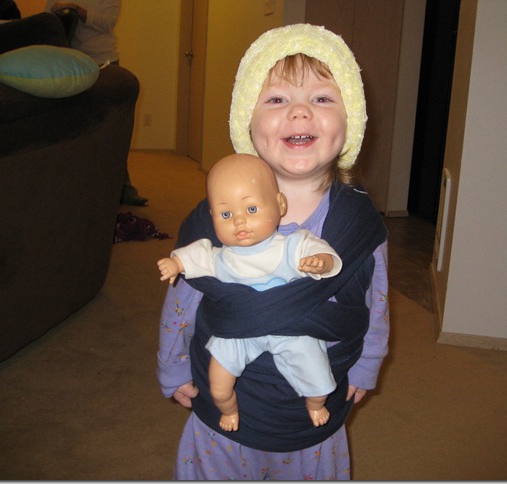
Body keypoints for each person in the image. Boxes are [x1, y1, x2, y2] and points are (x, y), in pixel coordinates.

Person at [157, 23, 389, 480]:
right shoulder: (214, 219)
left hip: (312, 417)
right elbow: (182, 301)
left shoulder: (360, 223)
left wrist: (367, 364)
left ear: (352, 121)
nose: (300, 112)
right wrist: (172, 364)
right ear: (247, 121)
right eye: (277, 99)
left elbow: (375, 303)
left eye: (322, 98)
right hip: (226, 410)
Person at [158, 153, 343, 431]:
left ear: (279, 205)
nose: (239, 221)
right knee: (218, 386)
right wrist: (175, 263)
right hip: (237, 334)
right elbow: (194, 255)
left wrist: (321, 262)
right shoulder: (220, 257)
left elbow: (324, 254)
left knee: (318, 377)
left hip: (290, 330)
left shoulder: (291, 246)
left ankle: (315, 404)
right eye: (226, 214)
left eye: (251, 209)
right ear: (212, 217)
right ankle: (229, 411)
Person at [45, 0, 148, 207]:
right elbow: (47, 19)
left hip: (104, 62)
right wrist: (58, 10)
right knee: (77, 128)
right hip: (73, 63)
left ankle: (124, 189)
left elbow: (107, 23)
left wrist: (78, 10)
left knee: (112, 128)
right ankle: (81, 188)